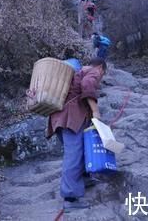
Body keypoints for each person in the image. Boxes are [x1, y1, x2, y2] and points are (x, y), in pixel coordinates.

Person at [46, 57, 107, 211]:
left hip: (59, 118)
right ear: (100, 68)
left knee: (80, 151)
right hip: (70, 119)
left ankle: (85, 178)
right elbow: (87, 85)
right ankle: (70, 198)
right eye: (103, 74)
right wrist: (95, 110)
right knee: (73, 156)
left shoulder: (77, 73)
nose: (101, 77)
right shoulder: (92, 71)